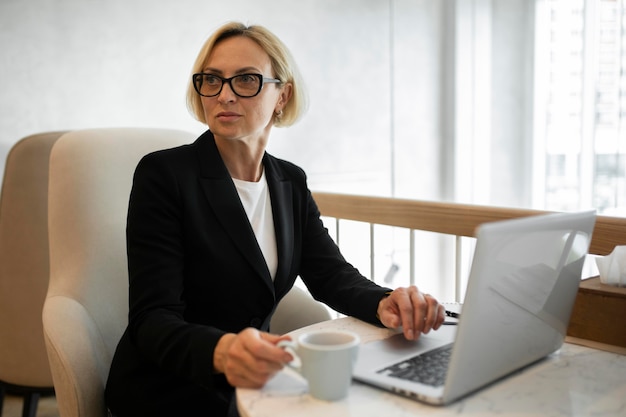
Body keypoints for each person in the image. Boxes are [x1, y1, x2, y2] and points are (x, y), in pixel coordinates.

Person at [104, 21, 446, 417]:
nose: (225, 94)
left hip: (253, 385)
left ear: (282, 95)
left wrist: (386, 302)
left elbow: (331, 275)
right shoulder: (164, 174)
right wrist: (221, 350)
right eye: (212, 79)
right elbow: (153, 319)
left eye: (246, 79)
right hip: (169, 391)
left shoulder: (289, 181)